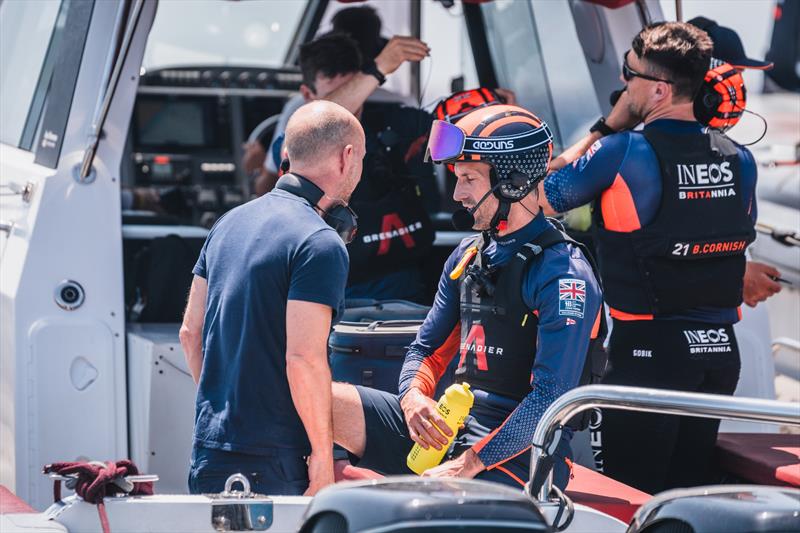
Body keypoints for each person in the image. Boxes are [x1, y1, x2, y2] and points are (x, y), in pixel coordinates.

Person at [331, 103, 603, 490]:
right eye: (457, 178)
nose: (457, 193)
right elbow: (423, 350)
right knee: (318, 401)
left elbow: (551, 399)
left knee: (428, 497)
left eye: (469, 179)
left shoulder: (563, 273)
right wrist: (412, 400)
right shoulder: (467, 256)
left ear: (513, 181)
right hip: (451, 426)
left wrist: (469, 463)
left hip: (521, 452)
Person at [538, 22, 758, 493]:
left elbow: (541, 196)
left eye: (628, 75)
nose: (623, 87)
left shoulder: (622, 151)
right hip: (719, 355)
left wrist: (606, 125)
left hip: (650, 354)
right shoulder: (740, 158)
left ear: (658, 90)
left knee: (633, 497)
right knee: (689, 494)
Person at [180, 101, 365, 496]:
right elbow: (304, 359)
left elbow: (189, 334)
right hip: (276, 462)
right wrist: (320, 459)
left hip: (210, 452)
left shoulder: (227, 223)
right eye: (361, 159)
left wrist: (221, 411)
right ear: (347, 158)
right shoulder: (320, 242)